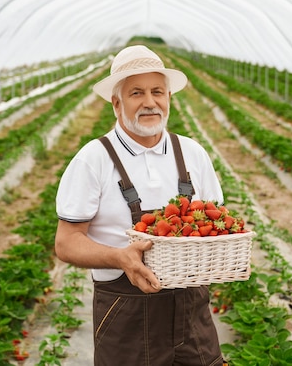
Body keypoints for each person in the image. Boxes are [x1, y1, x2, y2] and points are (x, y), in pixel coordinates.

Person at [54, 45, 225, 365]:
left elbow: (217, 226)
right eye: (136, 93)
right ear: (116, 103)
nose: (150, 102)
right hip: (126, 317)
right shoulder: (94, 159)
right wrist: (120, 258)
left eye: (157, 91)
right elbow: (66, 243)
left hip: (193, 316)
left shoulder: (192, 153)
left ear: (169, 98)